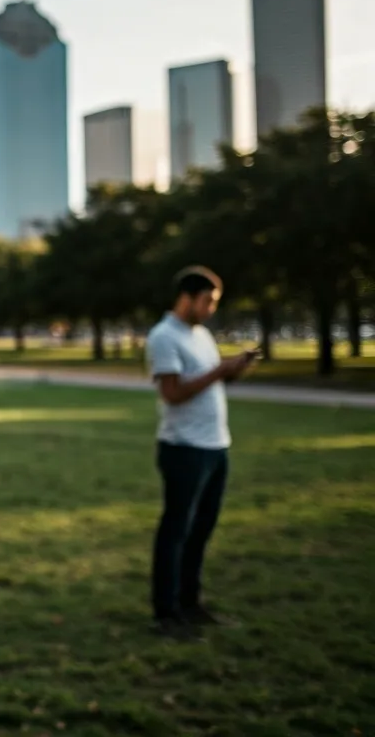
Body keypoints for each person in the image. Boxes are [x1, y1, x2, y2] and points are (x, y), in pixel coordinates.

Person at [146, 266, 255, 638]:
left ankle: (191, 604)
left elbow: (212, 379)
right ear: (187, 297)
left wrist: (234, 368)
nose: (211, 308)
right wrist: (220, 370)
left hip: (215, 445)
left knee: (201, 530)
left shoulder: (202, 335)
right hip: (183, 448)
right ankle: (166, 612)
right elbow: (173, 393)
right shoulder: (164, 337)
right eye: (207, 300)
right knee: (176, 531)